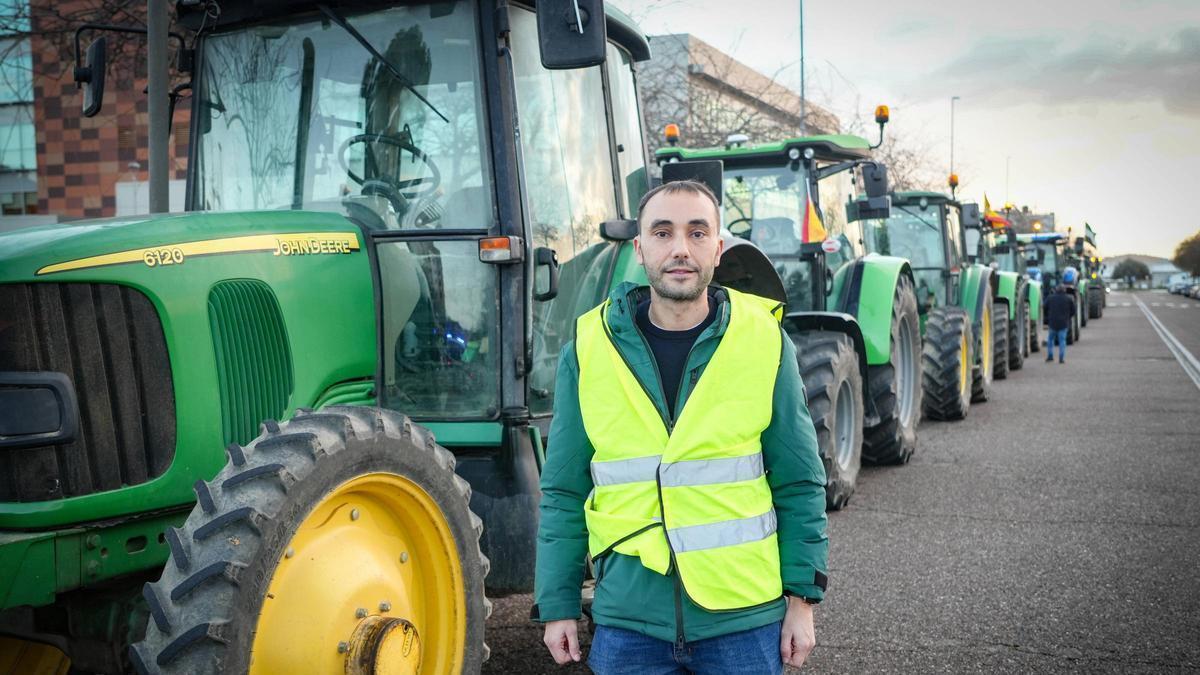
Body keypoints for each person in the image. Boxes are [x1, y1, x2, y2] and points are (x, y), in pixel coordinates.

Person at [533, 180, 829, 674]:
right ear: (639, 248)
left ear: (717, 247)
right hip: (630, 624)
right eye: (663, 232)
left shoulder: (764, 343)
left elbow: (799, 481)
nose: (679, 249)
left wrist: (803, 601)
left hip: (743, 622)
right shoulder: (588, 350)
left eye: (696, 233)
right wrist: (558, 604)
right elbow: (564, 489)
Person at [1044, 284, 1075, 363]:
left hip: (1052, 323)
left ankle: (1050, 356)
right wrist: (1068, 317)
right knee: (1062, 341)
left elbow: (1045, 307)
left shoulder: (1050, 298)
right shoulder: (1068, 299)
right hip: (1064, 323)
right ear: (1064, 290)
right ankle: (1061, 358)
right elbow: (1073, 311)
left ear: (1056, 290)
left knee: (1050, 340)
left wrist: (1048, 317)